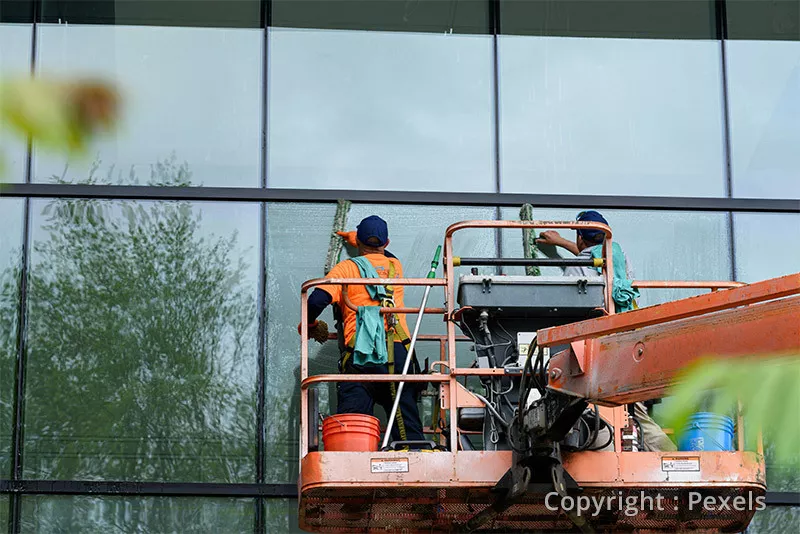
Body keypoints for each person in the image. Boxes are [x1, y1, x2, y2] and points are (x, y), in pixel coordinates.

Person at [536, 210, 677, 452]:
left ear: (581, 237)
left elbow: (576, 282)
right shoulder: (620, 258)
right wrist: (562, 243)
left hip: (599, 355)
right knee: (635, 411)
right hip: (631, 344)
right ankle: (671, 455)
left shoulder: (579, 267)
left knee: (595, 408)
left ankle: (624, 452)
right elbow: (593, 259)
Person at [299, 215, 425, 446]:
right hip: (397, 353)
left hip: (361, 354)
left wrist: (308, 325)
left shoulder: (346, 269)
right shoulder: (395, 266)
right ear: (386, 244)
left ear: (358, 243)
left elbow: (316, 301)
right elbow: (387, 255)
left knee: (352, 428)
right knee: (406, 423)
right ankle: (413, 464)